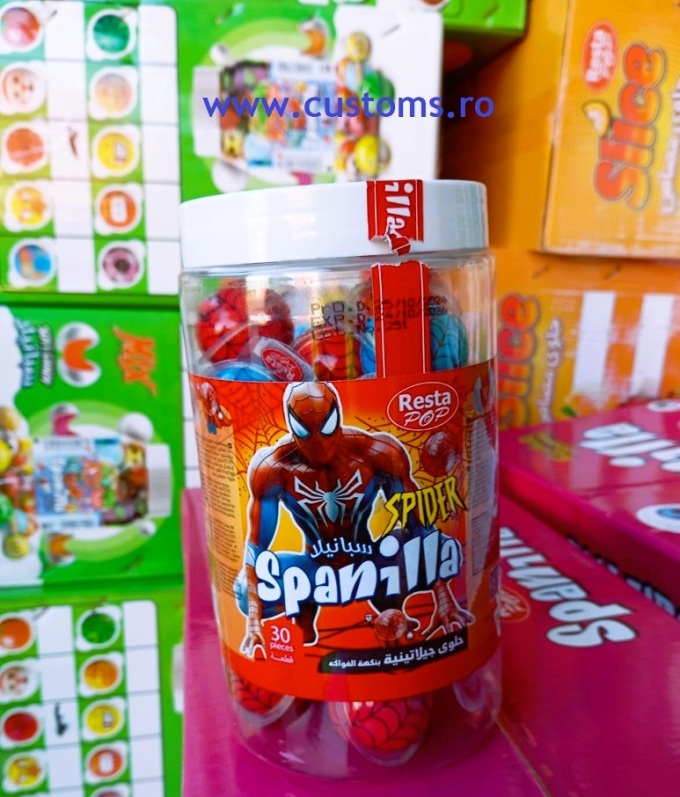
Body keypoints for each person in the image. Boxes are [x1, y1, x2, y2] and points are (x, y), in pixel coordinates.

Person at [237, 382, 473, 659]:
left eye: (326, 427)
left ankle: (389, 603)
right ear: (291, 424)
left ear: (336, 415)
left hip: (372, 561)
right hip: (313, 571)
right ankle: (305, 620)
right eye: (304, 430)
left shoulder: (377, 452)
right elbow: (255, 551)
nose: (318, 442)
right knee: (243, 590)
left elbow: (418, 526)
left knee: (443, 548)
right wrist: (253, 621)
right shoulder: (273, 469)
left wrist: (443, 597)